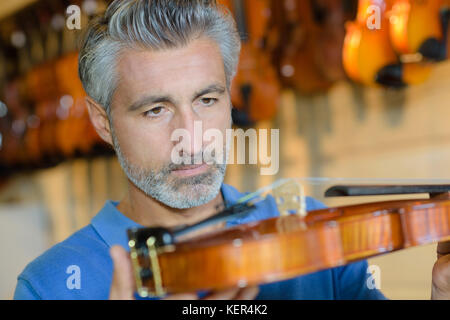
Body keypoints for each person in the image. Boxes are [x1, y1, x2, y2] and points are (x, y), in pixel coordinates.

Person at [13, 0, 449, 300]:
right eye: (155, 109)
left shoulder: (320, 239)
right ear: (102, 122)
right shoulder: (47, 284)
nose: (192, 135)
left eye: (207, 100)